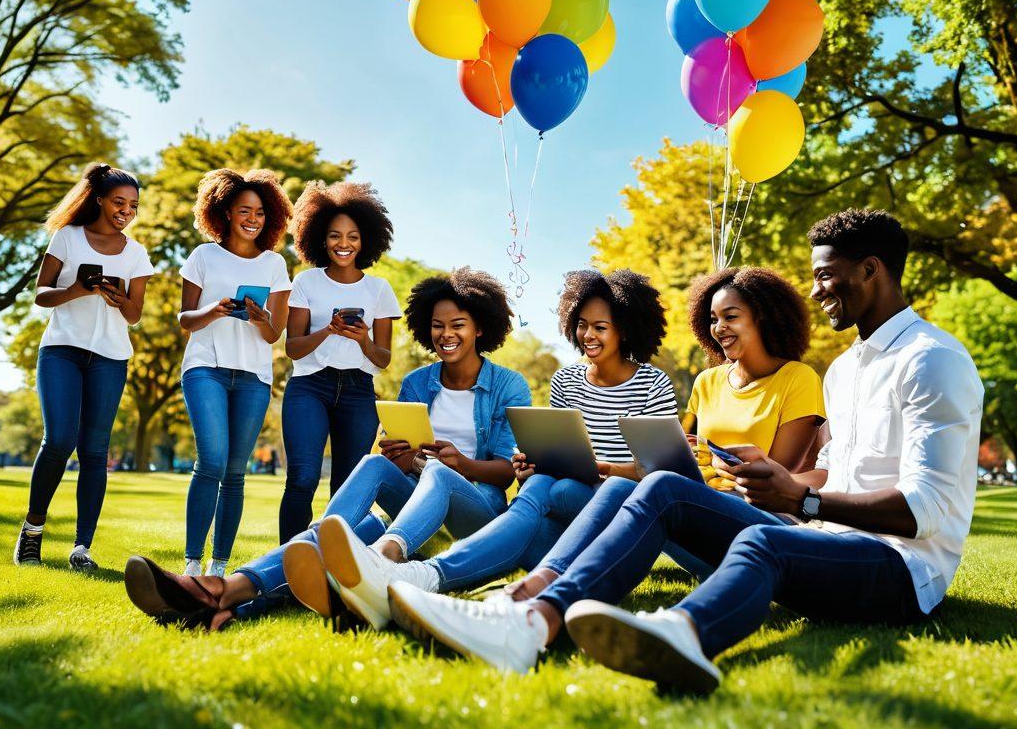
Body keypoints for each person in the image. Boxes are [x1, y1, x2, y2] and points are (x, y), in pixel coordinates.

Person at [389, 209, 983, 693]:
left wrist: (802, 500)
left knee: (761, 538)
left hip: (901, 569)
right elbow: (844, 467)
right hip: (820, 537)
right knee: (655, 485)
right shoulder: (849, 367)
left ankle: (681, 630)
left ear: (872, 269)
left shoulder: (933, 360)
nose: (816, 288)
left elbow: (923, 509)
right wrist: (783, 475)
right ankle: (527, 609)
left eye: (826, 275)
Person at [121, 268, 529, 631]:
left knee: (438, 474)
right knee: (371, 470)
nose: (446, 334)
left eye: (458, 324)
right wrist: (401, 456)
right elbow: (403, 455)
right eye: (438, 326)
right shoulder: (418, 383)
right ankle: (225, 593)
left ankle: (381, 560)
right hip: (414, 508)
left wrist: (463, 464)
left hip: (475, 515)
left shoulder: (509, 385)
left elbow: (506, 471)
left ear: (480, 329)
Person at [313, 269, 678, 628]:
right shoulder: (566, 380)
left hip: (613, 505)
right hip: (553, 519)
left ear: (625, 329)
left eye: (600, 327)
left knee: (560, 487)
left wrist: (602, 468)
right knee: (540, 484)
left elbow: (660, 472)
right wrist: (529, 463)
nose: (587, 335)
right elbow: (551, 451)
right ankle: (317, 559)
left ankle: (415, 573)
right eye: (582, 324)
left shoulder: (653, 383)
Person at [13, 163, 154, 571]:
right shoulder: (68, 237)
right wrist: (75, 290)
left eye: (133, 205)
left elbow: (134, 315)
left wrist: (117, 298)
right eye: (118, 202)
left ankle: (81, 549)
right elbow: (42, 294)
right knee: (58, 440)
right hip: (62, 350)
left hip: (110, 357)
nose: (126, 210)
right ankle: (32, 531)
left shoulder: (136, 253)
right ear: (98, 200)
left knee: (94, 450)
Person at [178, 168, 293, 577]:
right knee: (211, 460)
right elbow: (186, 320)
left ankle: (218, 567)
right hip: (205, 367)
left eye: (260, 212)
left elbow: (273, 334)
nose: (252, 218)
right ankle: (192, 562)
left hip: (253, 377)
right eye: (244, 210)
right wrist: (214, 310)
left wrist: (260, 317)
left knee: (235, 471)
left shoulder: (275, 264)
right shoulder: (203, 256)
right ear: (225, 212)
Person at [279, 181, 400, 542]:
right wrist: (327, 331)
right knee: (301, 477)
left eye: (352, 236)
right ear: (320, 238)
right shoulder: (306, 282)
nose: (343, 244)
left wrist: (363, 338)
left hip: (358, 392)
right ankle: (284, 566)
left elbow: (383, 359)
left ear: (367, 241)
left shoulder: (378, 290)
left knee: (347, 487)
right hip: (309, 387)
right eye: (334, 236)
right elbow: (293, 348)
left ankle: (333, 569)